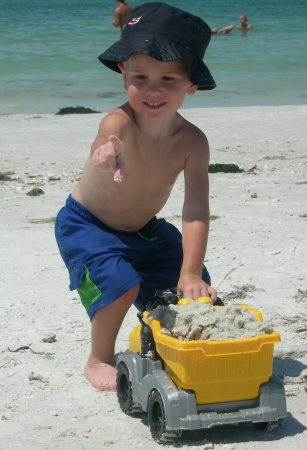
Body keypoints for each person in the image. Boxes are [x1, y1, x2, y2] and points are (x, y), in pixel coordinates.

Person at [55, 2, 217, 392]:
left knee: (193, 287)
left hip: (143, 230)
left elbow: (195, 210)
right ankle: (98, 358)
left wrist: (191, 271)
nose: (153, 89)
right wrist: (104, 152)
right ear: (122, 72)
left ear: (191, 84)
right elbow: (105, 139)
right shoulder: (119, 122)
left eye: (169, 79)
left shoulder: (193, 142)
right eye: (140, 76)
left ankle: (163, 339)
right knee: (120, 281)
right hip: (87, 224)